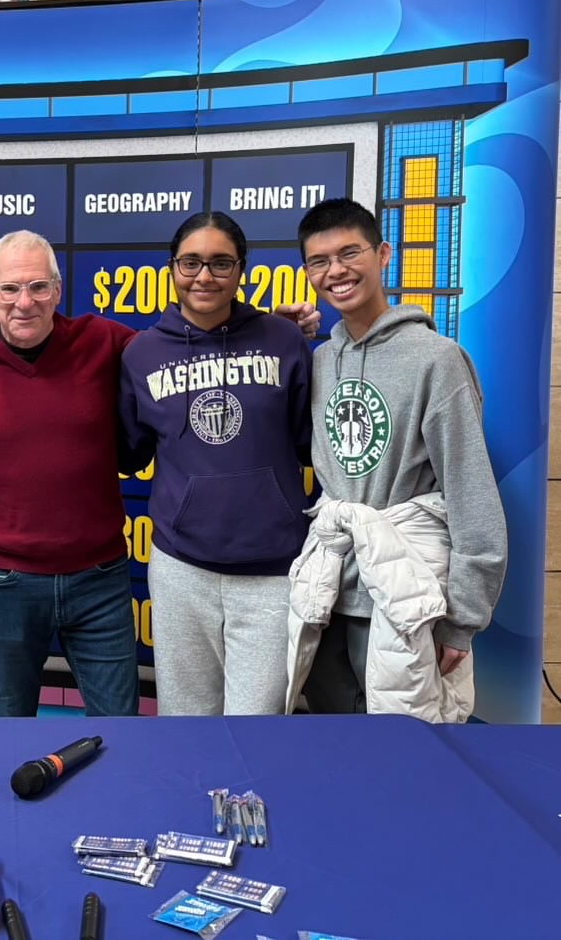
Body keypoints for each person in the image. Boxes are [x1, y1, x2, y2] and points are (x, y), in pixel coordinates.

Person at [287, 197, 507, 719]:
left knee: (404, 750)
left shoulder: (437, 359)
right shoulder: (320, 360)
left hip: (404, 595)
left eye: (349, 253)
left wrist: (463, 618)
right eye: (319, 261)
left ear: (383, 254)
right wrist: (283, 342)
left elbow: (470, 489)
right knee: (331, 742)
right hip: (328, 592)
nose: (335, 271)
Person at [0, 230, 142, 717]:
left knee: (124, 728)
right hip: (8, 581)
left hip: (101, 579)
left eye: (37, 287)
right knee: (8, 728)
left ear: (58, 290)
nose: (23, 302)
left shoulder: (106, 341)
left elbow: (185, 351)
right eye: (9, 289)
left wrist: (258, 331)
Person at [119, 212, 313, 716]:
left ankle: (246, 802)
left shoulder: (285, 341)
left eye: (220, 263)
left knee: (258, 723)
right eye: (191, 263)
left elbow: (310, 441)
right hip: (182, 567)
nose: (204, 276)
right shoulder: (141, 355)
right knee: (187, 721)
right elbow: (130, 450)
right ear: (172, 268)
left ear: (242, 270)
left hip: (274, 569)